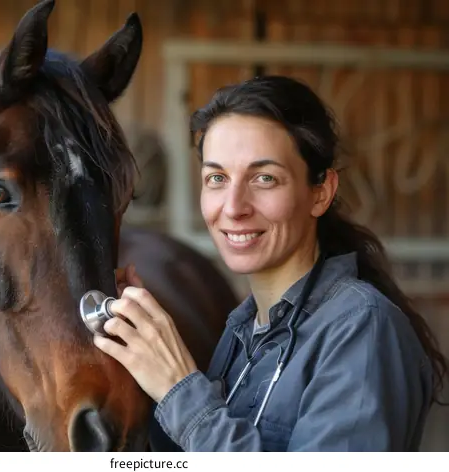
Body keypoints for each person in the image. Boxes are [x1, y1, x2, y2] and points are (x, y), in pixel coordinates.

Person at [93, 76, 448, 452]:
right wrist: (143, 360)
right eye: (217, 178)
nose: (233, 207)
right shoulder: (243, 330)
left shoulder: (363, 329)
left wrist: (180, 389)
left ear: (321, 192)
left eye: (264, 178)